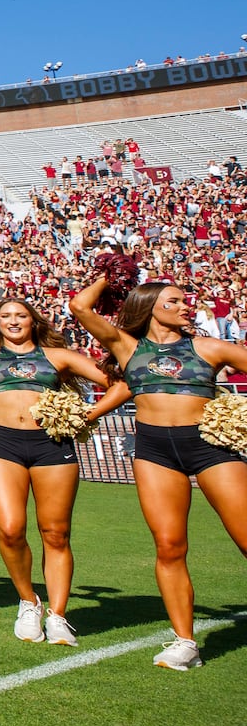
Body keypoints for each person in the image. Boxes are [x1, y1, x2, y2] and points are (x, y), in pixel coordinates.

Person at [70, 279, 247, 670]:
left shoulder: (208, 347)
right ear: (151, 306)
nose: (187, 307)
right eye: (176, 301)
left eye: (186, 302)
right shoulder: (128, 346)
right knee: (169, 546)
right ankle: (185, 642)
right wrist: (109, 275)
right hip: (154, 452)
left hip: (210, 448)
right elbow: (80, 307)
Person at [0, 292, 124, 646]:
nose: (14, 321)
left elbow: (119, 383)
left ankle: (59, 616)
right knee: (10, 529)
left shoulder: (58, 356)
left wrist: (85, 416)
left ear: (33, 321)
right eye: (6, 316)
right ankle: (28, 600)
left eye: (21, 315)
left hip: (51, 444)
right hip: (3, 444)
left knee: (55, 533)